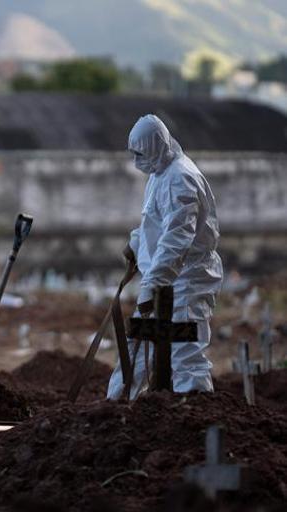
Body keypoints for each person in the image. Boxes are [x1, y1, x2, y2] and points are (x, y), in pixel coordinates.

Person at [107, 115, 223, 400]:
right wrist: (136, 244)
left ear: (155, 146)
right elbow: (156, 222)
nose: (136, 160)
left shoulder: (179, 178)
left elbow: (176, 238)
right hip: (167, 279)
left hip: (185, 280)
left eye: (140, 153)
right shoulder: (162, 173)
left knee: (184, 351)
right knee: (136, 347)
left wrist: (153, 284)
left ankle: (193, 412)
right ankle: (115, 410)